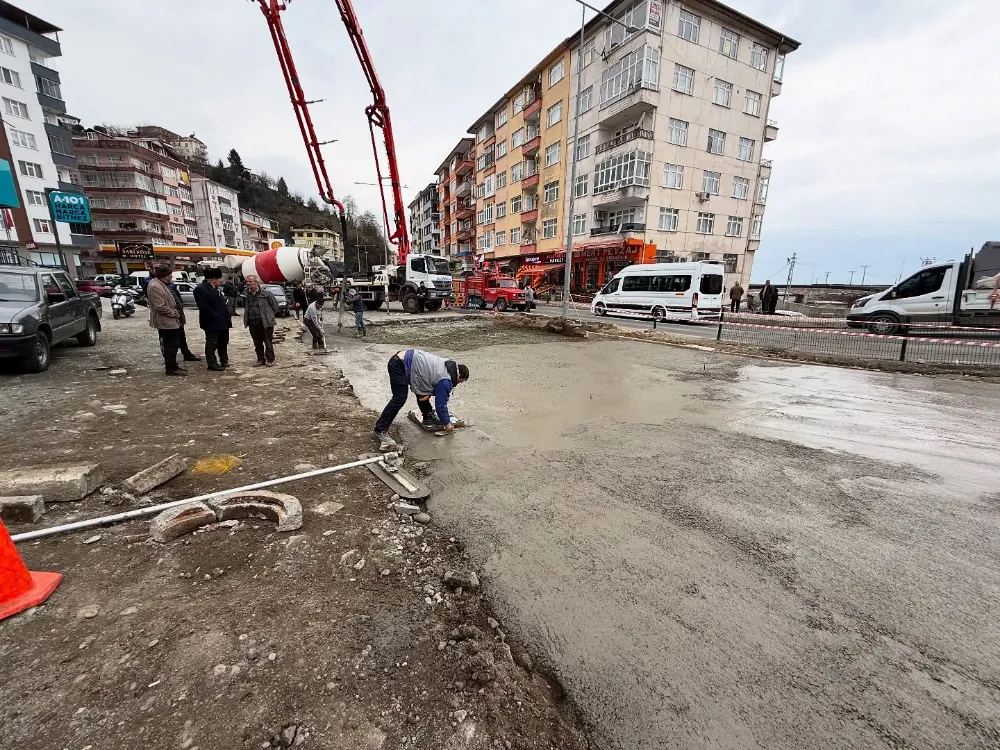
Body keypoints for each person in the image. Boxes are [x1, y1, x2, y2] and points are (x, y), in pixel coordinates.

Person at [372, 348, 470, 448]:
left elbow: (426, 385)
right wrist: (447, 424)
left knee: (424, 390)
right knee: (399, 398)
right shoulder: (445, 380)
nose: (458, 384)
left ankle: (428, 416)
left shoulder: (448, 367)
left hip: (408, 360)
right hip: (399, 365)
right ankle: (380, 429)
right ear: (459, 376)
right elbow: (441, 405)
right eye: (460, 381)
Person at [146, 265, 187, 377]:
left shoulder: (162, 284)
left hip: (172, 321)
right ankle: (170, 368)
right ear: (164, 276)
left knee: (174, 344)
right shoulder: (155, 286)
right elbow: (159, 306)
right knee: (169, 345)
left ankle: (173, 365)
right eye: (170, 275)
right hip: (166, 322)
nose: (171, 277)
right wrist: (175, 313)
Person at [193, 267, 232, 371]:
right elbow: (203, 306)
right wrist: (215, 315)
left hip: (223, 321)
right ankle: (212, 363)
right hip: (212, 322)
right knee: (212, 343)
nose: (221, 281)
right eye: (220, 279)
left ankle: (224, 360)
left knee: (223, 342)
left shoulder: (216, 289)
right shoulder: (200, 289)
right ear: (213, 279)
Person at [243, 274, 280, 366]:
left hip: (265, 323)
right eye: (247, 282)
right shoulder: (246, 295)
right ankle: (260, 359)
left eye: (250, 281)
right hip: (253, 323)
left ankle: (270, 360)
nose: (248, 283)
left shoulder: (266, 294)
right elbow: (246, 307)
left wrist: (269, 316)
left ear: (256, 282)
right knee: (257, 343)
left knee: (268, 342)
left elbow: (275, 306)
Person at [169, 280, 201, 363]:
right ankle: (170, 361)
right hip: (170, 318)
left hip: (178, 316)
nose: (171, 277)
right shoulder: (158, 286)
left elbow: (178, 301)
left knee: (181, 337)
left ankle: (186, 354)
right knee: (171, 340)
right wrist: (175, 313)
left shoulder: (171, 286)